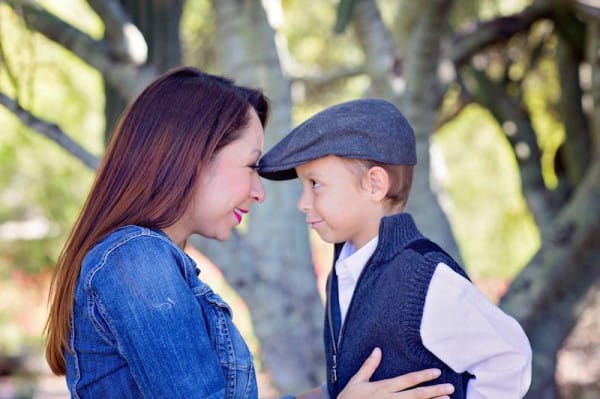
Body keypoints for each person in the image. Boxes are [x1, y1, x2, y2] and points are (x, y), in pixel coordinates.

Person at [44, 67, 456, 398]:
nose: (259, 193)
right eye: (251, 166)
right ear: (195, 157)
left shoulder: (145, 261)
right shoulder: (137, 261)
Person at [258, 98, 533, 399]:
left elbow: (509, 358)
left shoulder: (422, 278)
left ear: (375, 185)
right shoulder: (346, 272)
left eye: (315, 184)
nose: (303, 203)